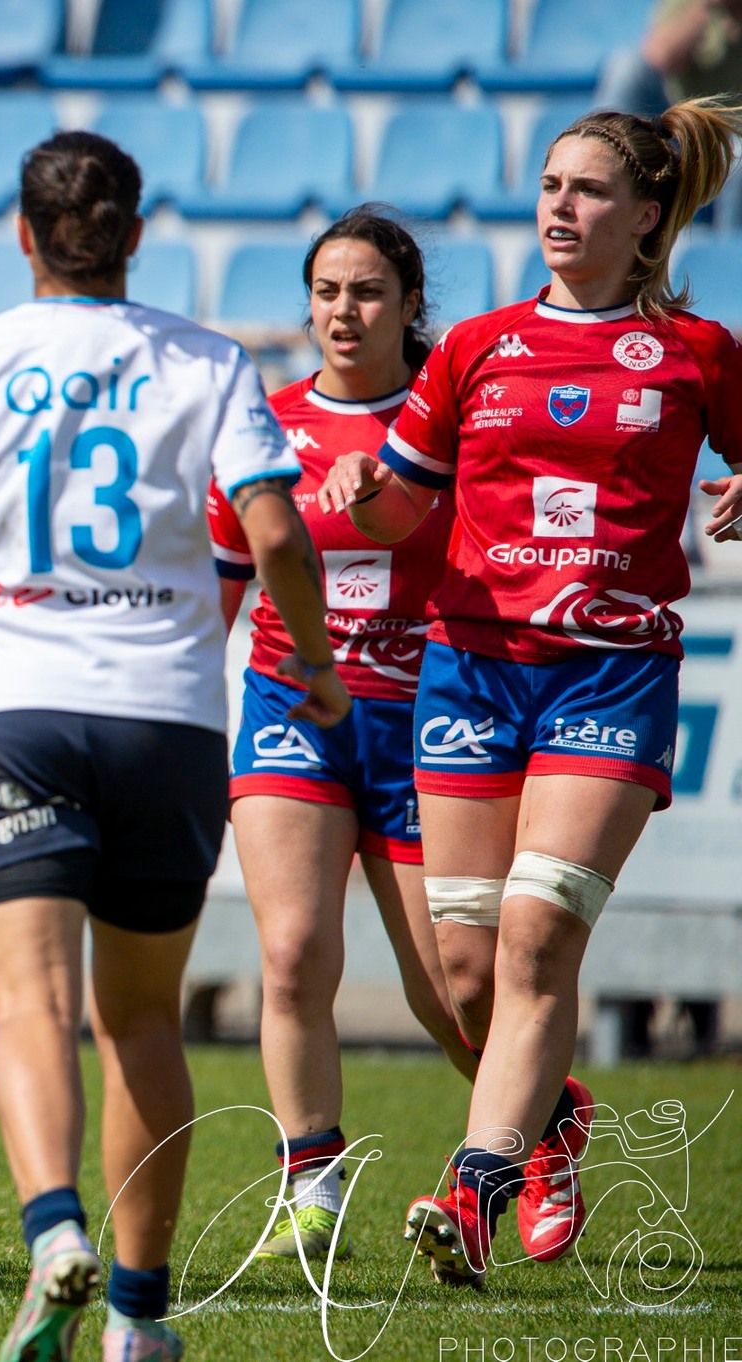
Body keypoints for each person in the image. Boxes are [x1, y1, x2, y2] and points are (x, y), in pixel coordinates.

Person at [0, 130, 351, 1362]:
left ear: (20, 236)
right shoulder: (208, 360)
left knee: (28, 1002)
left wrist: (5, 579)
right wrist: (321, 669)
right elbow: (279, 539)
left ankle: (51, 1233)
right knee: (138, 1022)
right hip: (165, 718)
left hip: (12, 709)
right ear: (134, 234)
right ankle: (136, 1318)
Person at [318, 99, 742, 1287]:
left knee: (536, 933)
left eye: (589, 191)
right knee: (463, 983)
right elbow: (405, 504)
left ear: (646, 216)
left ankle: (472, 1183)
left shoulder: (699, 355)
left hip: (608, 676)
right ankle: (551, 1125)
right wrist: (364, 493)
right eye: (550, 185)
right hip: (467, 669)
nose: (559, 206)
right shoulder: (473, 350)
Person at [206, 208, 474, 1264]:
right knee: (290, 952)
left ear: (410, 305)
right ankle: (308, 1192)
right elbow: (222, 586)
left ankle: (540, 1126)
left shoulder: (449, 419)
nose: (341, 312)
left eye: (365, 292)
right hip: (289, 706)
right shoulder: (264, 427)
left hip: (427, 720)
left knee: (451, 989)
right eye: (325, 292)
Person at [597, 0, 742, 122]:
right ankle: (603, 140)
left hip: (736, 125)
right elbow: (660, 56)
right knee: (628, 67)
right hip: (685, 120)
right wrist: (705, 5)